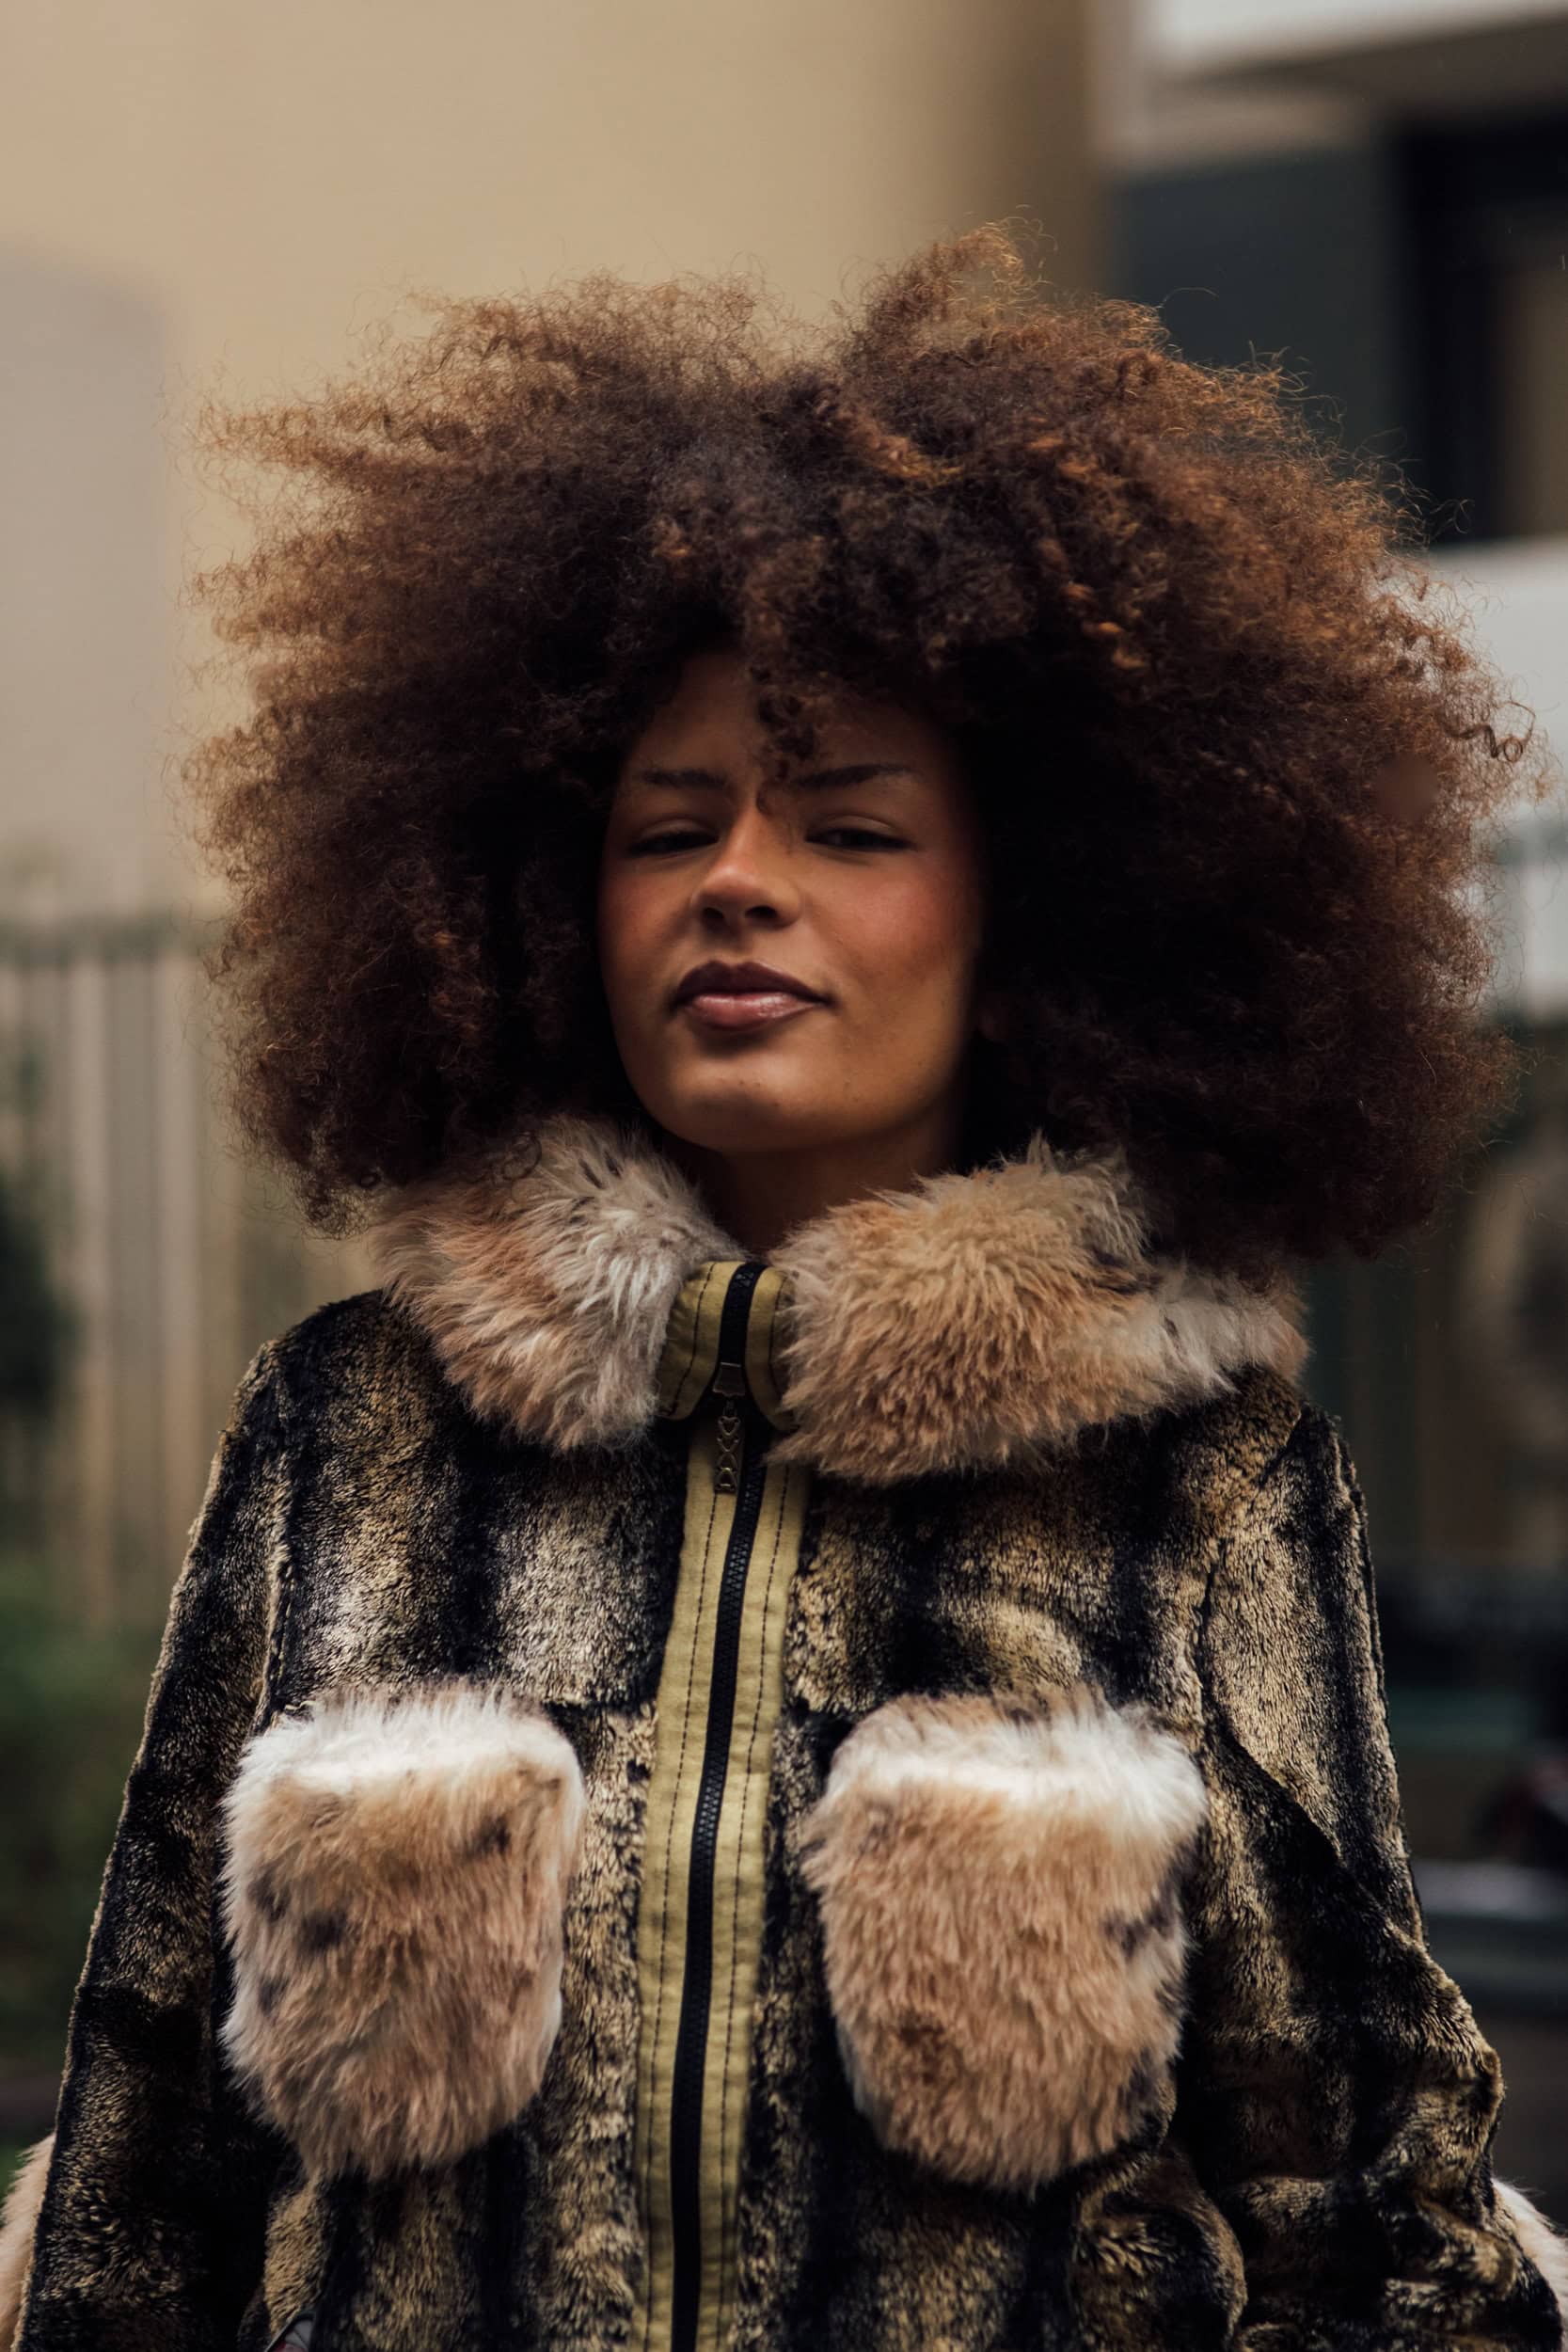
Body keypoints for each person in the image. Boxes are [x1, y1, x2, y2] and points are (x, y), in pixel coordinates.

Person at [3, 222, 1566, 2352]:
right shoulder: (347, 1427)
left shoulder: (1199, 1485)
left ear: (1029, 929)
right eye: (669, 828)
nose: (739, 878)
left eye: (847, 826)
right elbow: (144, 2163)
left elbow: (1366, 2208)